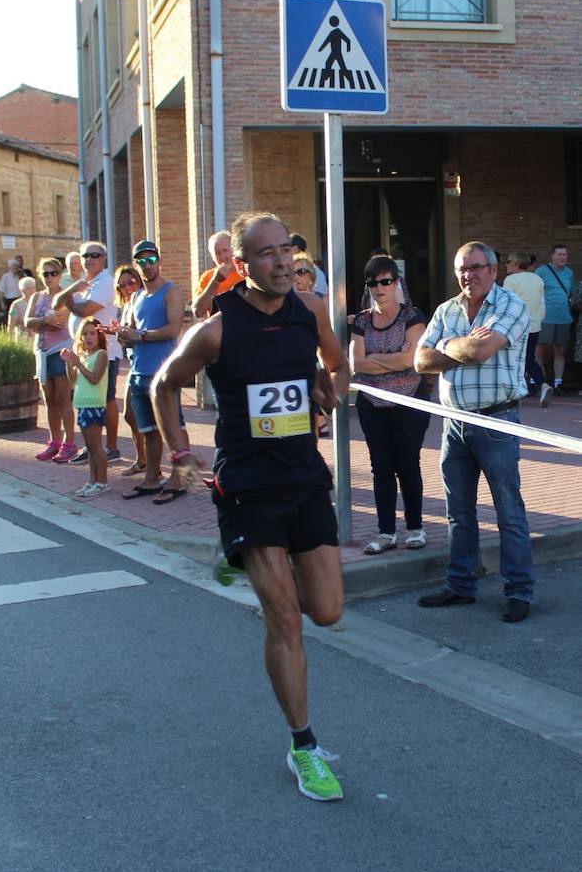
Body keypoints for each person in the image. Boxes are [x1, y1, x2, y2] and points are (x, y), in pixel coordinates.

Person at [153, 211, 349, 801]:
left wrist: (326, 397)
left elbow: (338, 369)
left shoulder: (310, 312)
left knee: (329, 611)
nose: (282, 260)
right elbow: (163, 384)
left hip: (304, 477)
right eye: (265, 253)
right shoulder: (217, 330)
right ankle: (304, 746)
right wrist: (181, 451)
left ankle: (236, 553)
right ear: (241, 266)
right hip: (247, 482)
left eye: (286, 247)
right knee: (285, 617)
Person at [414, 240, 534, 624]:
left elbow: (482, 353)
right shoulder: (446, 310)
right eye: (463, 269)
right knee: (458, 513)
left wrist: (445, 348)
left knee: (508, 513)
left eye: (477, 267)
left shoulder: (512, 306)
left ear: (494, 270)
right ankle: (460, 585)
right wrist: (459, 344)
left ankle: (519, 592)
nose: (470, 275)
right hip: (455, 424)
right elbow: (420, 360)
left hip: (497, 421)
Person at [350, 255, 430, 554]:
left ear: (396, 282)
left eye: (385, 281)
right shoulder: (361, 320)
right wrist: (392, 359)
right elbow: (355, 362)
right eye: (373, 282)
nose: (379, 287)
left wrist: (376, 360)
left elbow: (412, 360)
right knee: (380, 467)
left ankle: (415, 528)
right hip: (371, 403)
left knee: (408, 464)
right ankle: (386, 532)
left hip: (409, 401)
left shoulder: (413, 316)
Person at [116, 240, 186, 503]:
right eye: (141, 262)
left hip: (164, 373)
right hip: (138, 371)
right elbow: (130, 330)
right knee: (148, 430)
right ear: (135, 266)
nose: (147, 266)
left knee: (174, 428)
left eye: (151, 260)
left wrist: (139, 335)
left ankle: (180, 480)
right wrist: (123, 334)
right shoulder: (135, 297)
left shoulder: (171, 291)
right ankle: (152, 477)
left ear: (158, 260)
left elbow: (172, 329)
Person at [53, 241, 122, 463]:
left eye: (95, 255)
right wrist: (72, 289)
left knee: (107, 398)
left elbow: (84, 311)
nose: (89, 259)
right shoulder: (84, 283)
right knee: (87, 398)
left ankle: (111, 447)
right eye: (85, 256)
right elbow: (56, 304)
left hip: (105, 352)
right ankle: (92, 446)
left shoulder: (105, 282)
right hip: (84, 351)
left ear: (103, 259)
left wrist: (70, 298)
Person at [25, 258, 78, 463]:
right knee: (49, 400)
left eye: (53, 273)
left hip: (60, 350)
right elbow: (28, 321)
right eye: (45, 274)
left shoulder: (64, 295)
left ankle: (69, 442)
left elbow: (60, 322)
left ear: (59, 274)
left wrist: (42, 323)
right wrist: (44, 321)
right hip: (42, 351)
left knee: (63, 398)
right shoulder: (37, 297)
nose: (49, 277)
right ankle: (54, 441)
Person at [60, 318, 109, 499]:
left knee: (96, 446)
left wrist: (78, 363)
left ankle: (102, 482)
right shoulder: (83, 356)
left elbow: (95, 378)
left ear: (99, 336)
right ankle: (92, 480)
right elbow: (72, 380)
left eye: (92, 333)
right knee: (89, 447)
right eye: (85, 334)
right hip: (82, 404)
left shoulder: (101, 355)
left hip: (95, 405)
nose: (88, 337)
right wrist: (69, 362)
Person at [110, 265, 146, 477]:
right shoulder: (127, 305)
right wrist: (115, 332)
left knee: (152, 418)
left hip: (148, 364)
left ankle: (152, 464)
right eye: (122, 285)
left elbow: (140, 333)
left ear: (139, 281)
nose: (127, 288)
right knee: (130, 415)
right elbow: (126, 336)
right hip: (135, 363)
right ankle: (141, 459)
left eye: (130, 282)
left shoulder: (142, 301)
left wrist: (124, 332)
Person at [503, 252, 549, 406]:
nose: (506, 264)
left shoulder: (510, 280)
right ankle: (540, 385)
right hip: (534, 326)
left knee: (514, 359)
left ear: (516, 264)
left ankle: (519, 391)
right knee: (528, 358)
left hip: (516, 327)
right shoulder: (538, 279)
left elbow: (506, 305)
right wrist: (537, 320)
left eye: (509, 261)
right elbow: (542, 305)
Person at [293, 252, 329, 438]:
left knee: (312, 419)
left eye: (300, 271)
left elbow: (328, 340)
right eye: (291, 273)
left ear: (311, 277)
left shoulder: (319, 303)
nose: (296, 277)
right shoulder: (281, 304)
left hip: (311, 365)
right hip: (290, 370)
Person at [535, 244, 575, 393]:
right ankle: (541, 383)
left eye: (565, 254)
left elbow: (571, 292)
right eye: (560, 254)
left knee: (559, 351)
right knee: (539, 351)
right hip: (545, 318)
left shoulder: (569, 273)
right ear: (552, 256)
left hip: (564, 318)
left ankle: (558, 383)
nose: (563, 257)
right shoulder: (542, 271)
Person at [191, 230, 245, 319]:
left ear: (234, 250)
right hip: (219, 329)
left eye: (225, 250)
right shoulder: (208, 277)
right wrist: (215, 281)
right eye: (217, 253)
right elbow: (198, 312)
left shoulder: (246, 272)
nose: (222, 256)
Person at [8, 276, 37, 340]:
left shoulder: (39, 302)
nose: (32, 291)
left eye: (33, 288)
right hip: (23, 338)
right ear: (22, 290)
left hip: (37, 339)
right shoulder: (16, 305)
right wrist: (10, 340)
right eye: (29, 288)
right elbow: (11, 325)